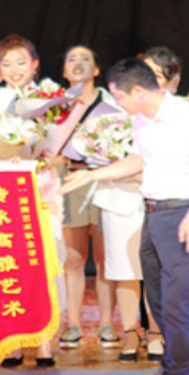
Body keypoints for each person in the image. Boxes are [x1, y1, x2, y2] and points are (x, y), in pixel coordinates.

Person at [61, 58, 189, 375]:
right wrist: (92, 175)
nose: (118, 104)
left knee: (176, 300)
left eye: (120, 97)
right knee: (159, 299)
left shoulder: (185, 116)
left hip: (183, 211)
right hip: (153, 213)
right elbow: (139, 161)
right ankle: (183, 371)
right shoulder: (141, 120)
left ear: (138, 91)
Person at [0, 34, 62, 366]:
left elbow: (61, 149)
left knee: (43, 262)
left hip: (41, 185)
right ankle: (14, 340)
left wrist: (45, 156)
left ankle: (45, 341)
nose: (14, 69)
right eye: (7, 63)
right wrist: (4, 155)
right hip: (3, 188)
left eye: (21, 62)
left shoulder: (51, 98)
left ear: (34, 65)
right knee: (10, 262)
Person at [57, 46, 117, 350]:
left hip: (104, 182)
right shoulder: (56, 108)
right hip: (70, 181)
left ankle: (107, 323)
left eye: (85, 59)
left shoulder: (111, 107)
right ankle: (73, 323)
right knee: (74, 257)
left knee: (105, 257)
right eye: (72, 59)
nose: (78, 63)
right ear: (64, 71)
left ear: (96, 70)